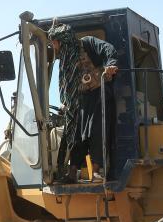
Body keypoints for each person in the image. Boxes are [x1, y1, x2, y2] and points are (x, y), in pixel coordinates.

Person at [47, 22, 118, 182]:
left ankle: (97, 172)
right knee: (75, 135)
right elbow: (66, 82)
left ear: (63, 39)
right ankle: (72, 173)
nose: (54, 46)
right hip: (79, 100)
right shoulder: (65, 58)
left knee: (96, 131)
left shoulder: (87, 43)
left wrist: (111, 65)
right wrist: (66, 101)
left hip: (98, 95)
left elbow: (108, 49)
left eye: (55, 42)